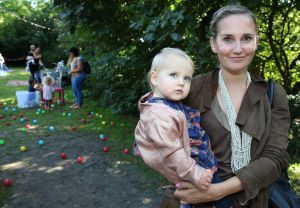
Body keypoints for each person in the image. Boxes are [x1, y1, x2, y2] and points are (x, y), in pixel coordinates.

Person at [169, 5, 290, 208]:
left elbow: (275, 158)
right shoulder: (192, 87)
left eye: (246, 38)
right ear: (213, 44)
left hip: (255, 202)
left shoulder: (273, 94)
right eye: (227, 39)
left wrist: (217, 192)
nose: (238, 48)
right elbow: (162, 131)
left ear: (256, 42)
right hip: (196, 201)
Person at [134, 48, 232, 208]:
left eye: (187, 78)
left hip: (194, 167)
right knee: (224, 201)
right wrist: (196, 174)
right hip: (192, 172)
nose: (181, 82)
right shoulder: (158, 115)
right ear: (154, 78)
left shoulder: (168, 105)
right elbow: (172, 153)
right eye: (173, 75)